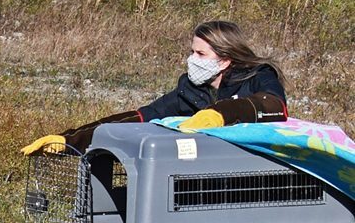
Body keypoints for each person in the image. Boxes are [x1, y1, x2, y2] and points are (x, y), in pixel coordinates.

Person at [21, 20, 288, 155]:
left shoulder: (258, 76)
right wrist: (71, 140)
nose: (192, 60)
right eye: (191, 52)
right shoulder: (190, 89)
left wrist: (221, 114)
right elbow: (141, 116)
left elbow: (274, 105)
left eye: (201, 54)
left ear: (225, 59)